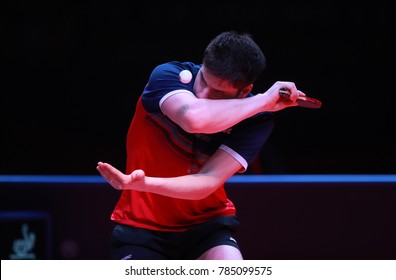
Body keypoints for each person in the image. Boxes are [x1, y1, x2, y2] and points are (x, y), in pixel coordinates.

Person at [96, 31, 304, 260]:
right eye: (204, 79)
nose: (202, 93)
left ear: (244, 91)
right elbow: (194, 120)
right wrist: (265, 101)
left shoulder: (257, 119)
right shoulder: (168, 76)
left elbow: (206, 182)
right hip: (140, 228)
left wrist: (145, 183)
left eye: (217, 91)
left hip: (207, 227)